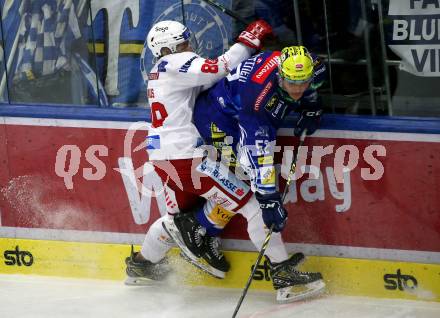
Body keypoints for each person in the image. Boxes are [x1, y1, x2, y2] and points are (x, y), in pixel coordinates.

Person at [165, 45, 327, 302]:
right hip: (218, 121)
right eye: (291, 84)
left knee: (240, 189)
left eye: (303, 83)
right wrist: (269, 199)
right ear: (279, 76)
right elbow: (257, 155)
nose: (297, 90)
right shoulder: (257, 101)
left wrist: (311, 106)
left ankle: (201, 225)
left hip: (233, 112)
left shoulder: (312, 66)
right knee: (248, 189)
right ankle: (199, 226)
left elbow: (309, 88)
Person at [124, 18, 273, 282]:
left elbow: (208, 81)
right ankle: (279, 265)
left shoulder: (159, 71)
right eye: (182, 43)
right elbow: (221, 66)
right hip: (183, 155)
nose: (188, 46)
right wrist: (250, 39)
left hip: (161, 154)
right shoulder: (174, 63)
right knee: (245, 201)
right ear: (168, 49)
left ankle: (142, 265)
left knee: (175, 220)